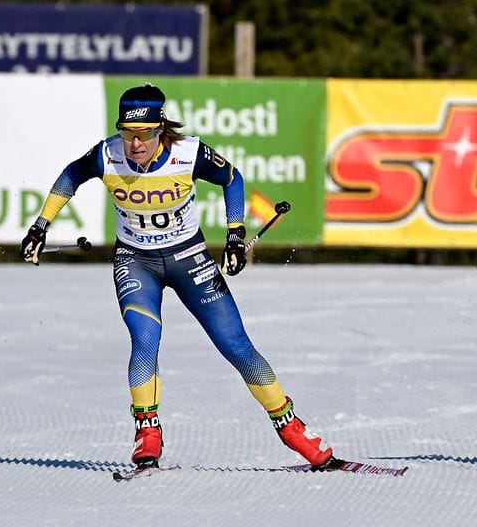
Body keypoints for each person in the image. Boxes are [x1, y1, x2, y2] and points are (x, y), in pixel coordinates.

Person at [19, 83, 336, 470]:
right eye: (128, 133)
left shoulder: (189, 153)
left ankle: (291, 429)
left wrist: (235, 234)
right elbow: (70, 176)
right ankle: (147, 433)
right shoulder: (107, 154)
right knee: (145, 338)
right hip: (136, 261)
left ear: (161, 129)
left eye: (145, 134)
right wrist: (40, 226)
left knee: (236, 346)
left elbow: (231, 179)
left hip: (190, 260)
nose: (135, 144)